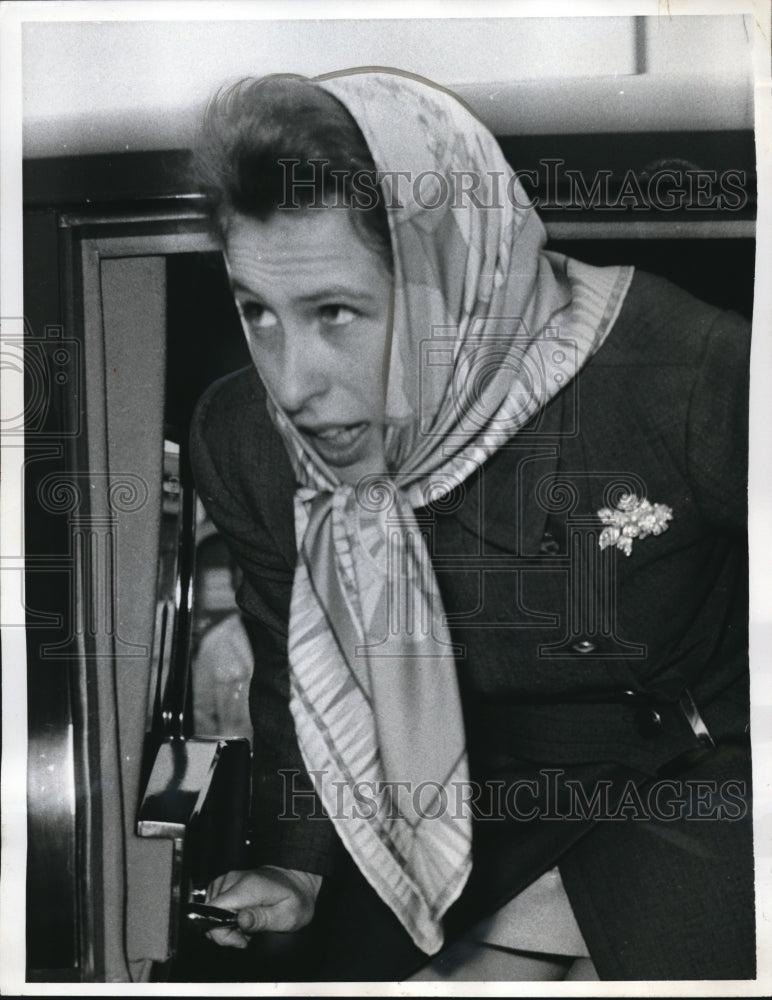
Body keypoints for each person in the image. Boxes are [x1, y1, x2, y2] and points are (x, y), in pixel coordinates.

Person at [189, 69, 754, 981]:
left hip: (695, 776)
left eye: (335, 313)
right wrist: (297, 861)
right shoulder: (243, 443)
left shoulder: (682, 374)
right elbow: (302, 669)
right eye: (258, 312)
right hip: (466, 792)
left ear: (448, 282)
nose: (292, 385)